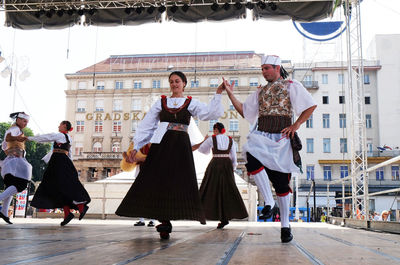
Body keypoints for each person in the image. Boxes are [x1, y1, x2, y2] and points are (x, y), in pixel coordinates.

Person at [116, 71, 224, 239]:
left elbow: (211, 113)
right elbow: (147, 125)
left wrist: (218, 93)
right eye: (172, 81)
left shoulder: (191, 102)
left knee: (179, 180)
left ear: (184, 83)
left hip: (180, 145)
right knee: (157, 180)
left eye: (177, 81)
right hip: (162, 144)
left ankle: (175, 216)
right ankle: (164, 221)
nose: (174, 84)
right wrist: (136, 145)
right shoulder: (161, 102)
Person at [223, 55, 317, 243]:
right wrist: (230, 93)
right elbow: (245, 111)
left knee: (282, 185)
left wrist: (296, 125)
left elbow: (310, 105)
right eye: (263, 68)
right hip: (263, 135)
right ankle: (268, 201)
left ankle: (285, 226)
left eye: (267, 68)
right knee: (249, 153)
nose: (264, 71)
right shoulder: (260, 91)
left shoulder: (291, 85)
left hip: (282, 139)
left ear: (277, 68)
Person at [28, 121, 91, 226]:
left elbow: (46, 137)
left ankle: (80, 207)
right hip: (63, 163)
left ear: (65, 126)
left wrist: (29, 138)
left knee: (57, 186)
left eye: (60, 124)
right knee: (61, 188)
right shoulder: (69, 139)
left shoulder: (60, 135)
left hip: (58, 163)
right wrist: (71, 168)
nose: (58, 126)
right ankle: (68, 213)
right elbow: (69, 155)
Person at [192, 122, 248, 229]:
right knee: (228, 190)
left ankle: (202, 215)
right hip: (227, 164)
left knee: (209, 188)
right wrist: (233, 168)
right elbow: (234, 157)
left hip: (216, 163)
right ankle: (225, 218)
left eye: (214, 130)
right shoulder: (230, 139)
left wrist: (208, 147)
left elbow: (202, 150)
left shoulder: (212, 139)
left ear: (216, 130)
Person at [0, 112, 32, 224]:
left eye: (27, 122)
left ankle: (4, 212)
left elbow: (4, 145)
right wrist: (14, 150)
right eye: (24, 121)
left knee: (11, 186)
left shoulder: (15, 129)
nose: (25, 123)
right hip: (16, 162)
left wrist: (9, 153)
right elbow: (8, 138)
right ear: (18, 120)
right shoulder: (15, 129)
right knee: (21, 184)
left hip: (11, 161)